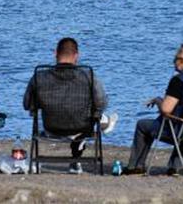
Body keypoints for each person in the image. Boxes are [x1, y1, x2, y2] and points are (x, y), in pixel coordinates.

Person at [23, 37, 117, 174]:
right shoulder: (88, 76)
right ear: (76, 55)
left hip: (51, 128)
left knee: (76, 113)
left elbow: (27, 104)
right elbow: (102, 103)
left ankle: (75, 159)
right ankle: (104, 124)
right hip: (81, 127)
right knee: (89, 115)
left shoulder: (39, 76)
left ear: (55, 53)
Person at [123, 43, 183, 176]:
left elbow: (166, 109)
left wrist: (157, 100)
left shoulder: (179, 81)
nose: (175, 62)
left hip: (180, 132)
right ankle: (174, 167)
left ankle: (135, 166)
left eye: (178, 59)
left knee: (142, 125)